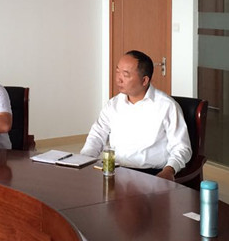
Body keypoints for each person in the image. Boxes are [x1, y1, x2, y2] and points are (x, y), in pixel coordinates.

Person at [80, 50, 191, 181]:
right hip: (115, 171)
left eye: (125, 74)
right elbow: (97, 136)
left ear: (144, 80)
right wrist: (83, 161)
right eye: (117, 71)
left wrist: (169, 170)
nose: (118, 79)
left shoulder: (167, 106)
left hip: (151, 175)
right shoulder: (113, 104)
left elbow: (182, 148)